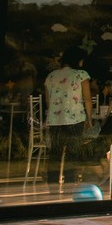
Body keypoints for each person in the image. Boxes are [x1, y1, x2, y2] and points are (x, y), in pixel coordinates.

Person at [44, 46, 97, 188]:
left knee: (55, 153)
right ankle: (69, 183)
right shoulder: (81, 75)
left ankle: (52, 184)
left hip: (55, 120)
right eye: (81, 60)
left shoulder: (51, 76)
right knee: (72, 153)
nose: (82, 63)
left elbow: (49, 102)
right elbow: (87, 99)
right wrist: (89, 118)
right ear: (77, 60)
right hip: (75, 119)